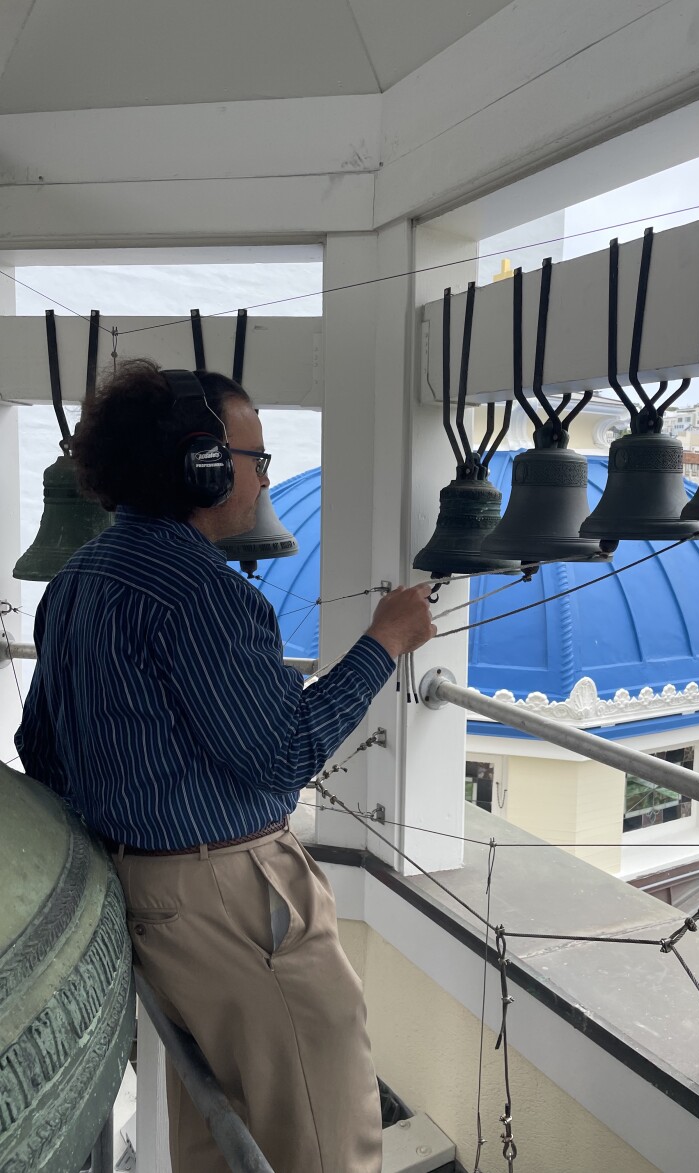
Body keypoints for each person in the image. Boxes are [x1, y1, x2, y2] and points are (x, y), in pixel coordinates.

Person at [15, 358, 436, 1173]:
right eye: (256, 459)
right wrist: (385, 640)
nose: (262, 477)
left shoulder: (75, 581)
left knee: (219, 1131)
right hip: (233, 902)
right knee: (322, 1135)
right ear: (202, 468)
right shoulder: (206, 594)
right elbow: (284, 753)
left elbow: (41, 748)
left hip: (135, 892)